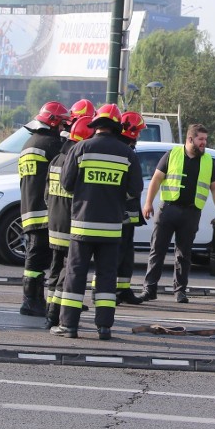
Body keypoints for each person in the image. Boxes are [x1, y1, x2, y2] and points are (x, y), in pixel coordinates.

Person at [50, 104, 143, 340]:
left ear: (96, 126)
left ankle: (69, 326)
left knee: (75, 274)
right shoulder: (128, 154)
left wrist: (87, 193)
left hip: (82, 226)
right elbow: (135, 190)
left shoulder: (81, 148)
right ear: (116, 127)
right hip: (112, 228)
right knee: (106, 276)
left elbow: (67, 184)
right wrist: (115, 198)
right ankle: (104, 327)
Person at [137, 124, 215, 304]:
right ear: (190, 139)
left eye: (205, 140)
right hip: (167, 209)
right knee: (157, 251)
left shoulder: (208, 160)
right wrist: (147, 203)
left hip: (191, 212)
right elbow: (156, 179)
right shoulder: (172, 154)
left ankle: (180, 291)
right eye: (201, 139)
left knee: (184, 254)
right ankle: (149, 289)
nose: (204, 143)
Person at [43, 113, 94, 330]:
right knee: (67, 273)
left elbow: (47, 194)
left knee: (55, 271)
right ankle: (56, 314)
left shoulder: (56, 160)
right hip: (70, 226)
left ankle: (49, 311)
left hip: (54, 224)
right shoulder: (78, 164)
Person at [18, 101, 68, 317]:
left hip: (29, 207)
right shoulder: (51, 145)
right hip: (44, 210)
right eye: (63, 123)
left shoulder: (29, 143)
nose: (65, 128)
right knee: (37, 258)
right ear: (55, 122)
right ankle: (30, 301)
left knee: (35, 256)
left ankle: (37, 298)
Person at [115, 111, 147, 306]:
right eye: (139, 131)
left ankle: (123, 289)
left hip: (127, 212)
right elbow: (134, 187)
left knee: (126, 252)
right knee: (116, 253)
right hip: (120, 212)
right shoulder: (123, 151)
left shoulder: (126, 149)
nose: (140, 136)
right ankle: (105, 290)